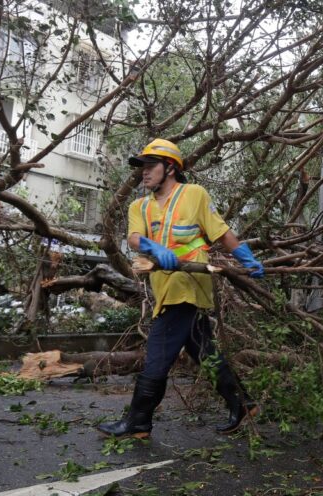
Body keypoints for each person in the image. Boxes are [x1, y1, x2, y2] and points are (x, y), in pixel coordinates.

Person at [97, 138, 264, 439]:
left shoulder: (194, 195)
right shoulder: (139, 206)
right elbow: (134, 238)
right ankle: (242, 403)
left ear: (170, 168)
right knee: (204, 352)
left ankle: (138, 420)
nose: (144, 173)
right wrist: (149, 245)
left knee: (157, 355)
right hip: (164, 290)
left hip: (189, 288)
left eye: (150, 166)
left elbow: (221, 232)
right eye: (142, 168)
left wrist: (246, 257)